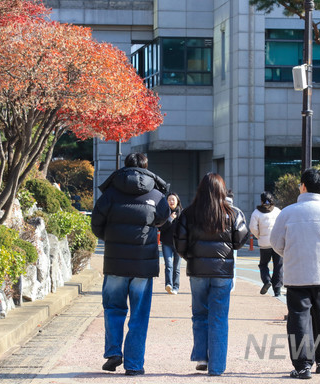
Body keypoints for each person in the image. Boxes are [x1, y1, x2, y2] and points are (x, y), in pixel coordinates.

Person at [91, 152, 170, 376]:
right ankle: (134, 364)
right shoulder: (156, 195)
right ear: (146, 167)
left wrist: (113, 238)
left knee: (113, 308)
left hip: (115, 261)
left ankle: (114, 351)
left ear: (126, 166)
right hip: (143, 265)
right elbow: (163, 219)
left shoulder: (110, 194)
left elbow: (96, 223)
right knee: (139, 315)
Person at [270, 168, 320, 380]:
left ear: (303, 186)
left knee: (298, 320)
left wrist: (291, 255)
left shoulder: (287, 212)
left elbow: (276, 244)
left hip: (297, 275)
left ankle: (302, 366)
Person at [174, 173, 249, 376]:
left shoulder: (189, 213)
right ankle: (217, 366)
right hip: (223, 272)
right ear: (222, 191)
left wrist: (191, 256)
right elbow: (241, 239)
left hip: (198, 270)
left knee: (200, 314)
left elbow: (179, 243)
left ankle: (201, 358)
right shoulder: (232, 213)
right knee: (219, 317)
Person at [249, 191, 283, 297]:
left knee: (263, 264)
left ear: (261, 201)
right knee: (278, 266)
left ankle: (266, 280)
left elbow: (252, 228)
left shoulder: (256, 213)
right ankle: (277, 290)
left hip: (264, 244)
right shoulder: (277, 211)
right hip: (277, 242)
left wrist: (259, 236)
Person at [159, 192, 182, 294]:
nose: (171, 201)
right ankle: (169, 284)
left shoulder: (182, 213)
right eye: (169, 200)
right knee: (168, 265)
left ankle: (176, 287)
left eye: (173, 199)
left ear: (177, 201)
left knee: (176, 267)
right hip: (166, 243)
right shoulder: (164, 213)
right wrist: (170, 219)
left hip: (178, 244)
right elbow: (161, 228)